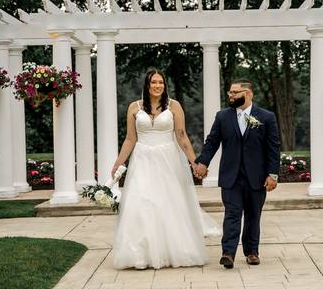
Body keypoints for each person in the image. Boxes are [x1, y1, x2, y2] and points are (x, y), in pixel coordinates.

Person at [111, 69, 219, 269]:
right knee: (141, 202)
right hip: (142, 159)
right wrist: (119, 162)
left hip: (168, 159)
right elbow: (130, 138)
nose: (158, 85)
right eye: (154, 82)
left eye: (161, 82)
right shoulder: (134, 108)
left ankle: (174, 251)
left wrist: (195, 162)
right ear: (147, 84)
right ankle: (141, 254)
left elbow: (182, 136)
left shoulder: (174, 106)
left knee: (169, 202)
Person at [193, 79, 280, 269]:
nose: (230, 96)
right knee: (232, 213)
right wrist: (203, 162)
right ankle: (228, 253)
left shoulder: (266, 117)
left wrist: (272, 175)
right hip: (231, 176)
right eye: (229, 93)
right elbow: (212, 142)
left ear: (248, 94)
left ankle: (251, 252)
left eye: (235, 93)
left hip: (256, 176)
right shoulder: (223, 116)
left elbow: (273, 148)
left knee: (253, 215)